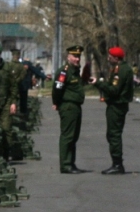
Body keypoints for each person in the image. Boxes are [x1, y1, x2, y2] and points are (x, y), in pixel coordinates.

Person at [91, 46, 134, 174]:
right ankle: (117, 163)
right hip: (116, 105)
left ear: (116, 58)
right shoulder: (121, 68)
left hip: (117, 105)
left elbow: (114, 90)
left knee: (114, 135)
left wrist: (98, 83)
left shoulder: (120, 70)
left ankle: (117, 165)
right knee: (112, 134)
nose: (108, 58)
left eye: (110, 56)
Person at [52, 45, 86, 174]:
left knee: (74, 136)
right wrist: (56, 103)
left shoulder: (75, 71)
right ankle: (65, 165)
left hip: (76, 106)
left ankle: (71, 162)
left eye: (78, 56)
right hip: (68, 106)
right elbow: (57, 89)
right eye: (75, 56)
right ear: (68, 57)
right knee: (68, 136)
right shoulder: (64, 72)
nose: (77, 59)